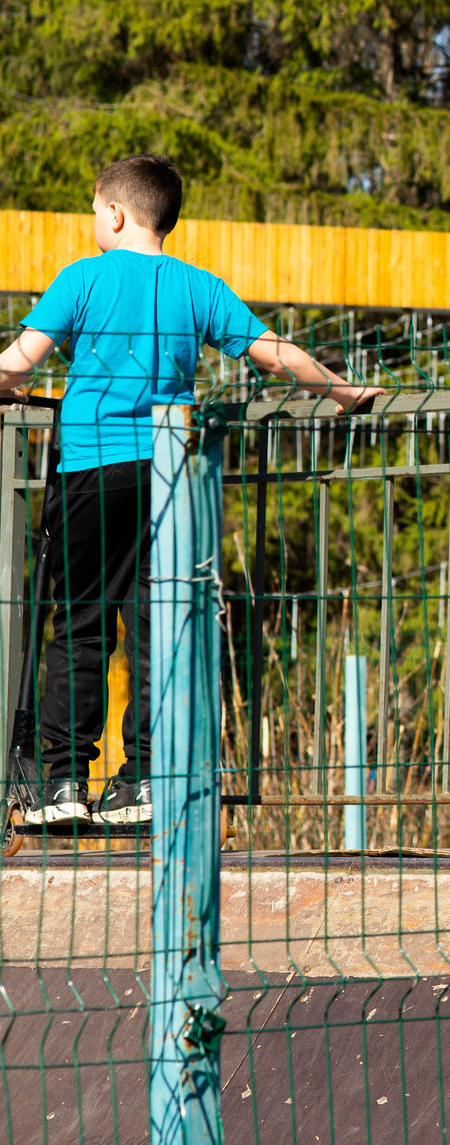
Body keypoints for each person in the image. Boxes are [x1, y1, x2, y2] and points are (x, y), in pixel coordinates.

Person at [0, 155, 381, 830]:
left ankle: (62, 782)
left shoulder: (81, 278)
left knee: (79, 621)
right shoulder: (199, 287)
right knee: (154, 626)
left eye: (93, 209)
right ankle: (142, 780)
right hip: (169, 472)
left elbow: (19, 361)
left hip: (89, 466)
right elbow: (273, 352)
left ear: (113, 213)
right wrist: (344, 391)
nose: (94, 220)